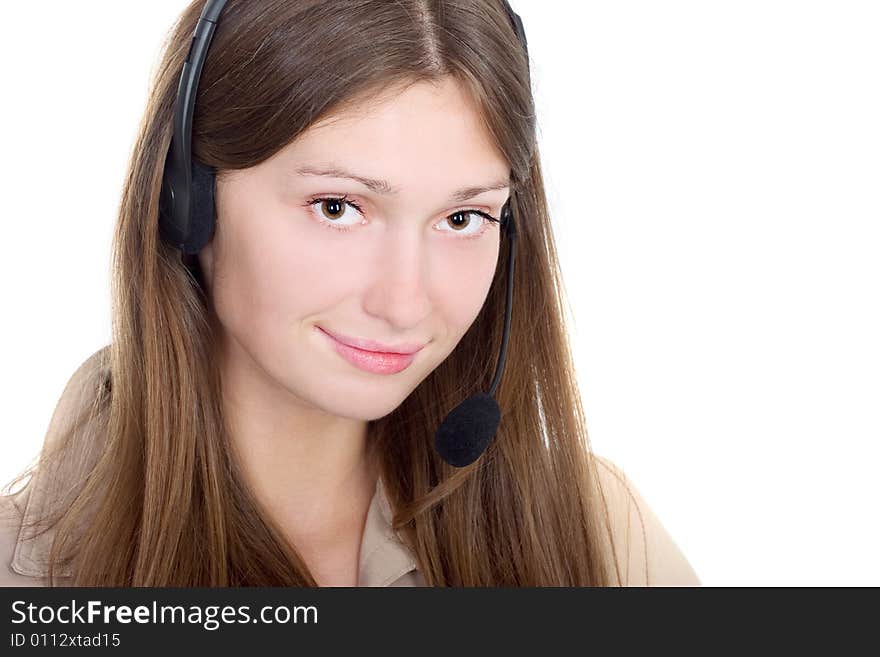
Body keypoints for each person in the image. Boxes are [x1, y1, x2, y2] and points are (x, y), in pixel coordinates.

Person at [0, 0, 700, 587]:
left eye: (463, 218)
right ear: (189, 200)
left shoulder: (598, 535)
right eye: (338, 206)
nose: (404, 303)